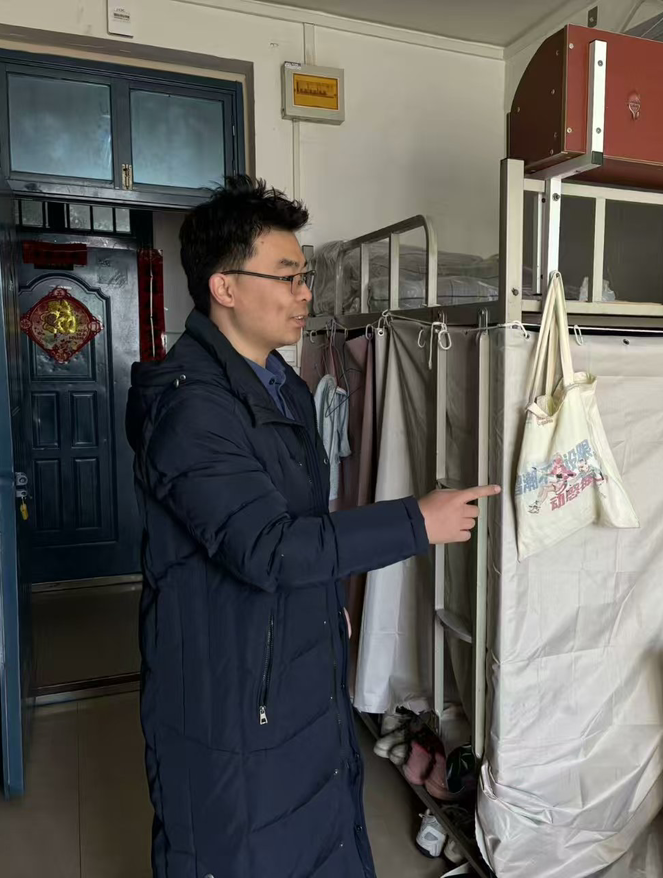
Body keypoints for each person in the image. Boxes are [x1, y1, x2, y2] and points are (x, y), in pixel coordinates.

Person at [125, 175, 497, 878]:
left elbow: (297, 515)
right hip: (232, 686)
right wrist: (417, 520)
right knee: (242, 845)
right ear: (224, 287)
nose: (305, 294)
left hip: (285, 656)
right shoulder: (192, 411)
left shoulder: (280, 382)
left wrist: (327, 603)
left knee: (320, 822)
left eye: (306, 277)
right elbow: (267, 547)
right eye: (288, 277)